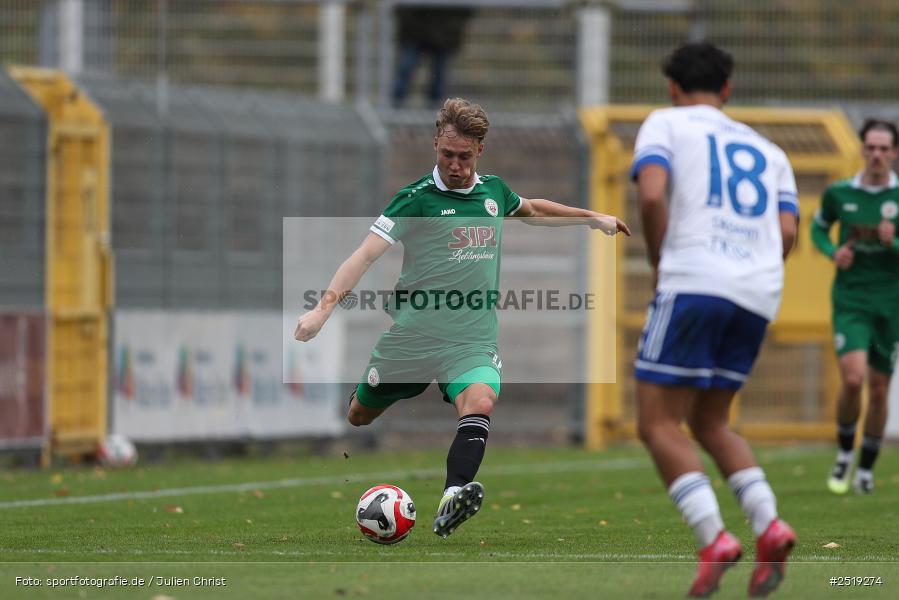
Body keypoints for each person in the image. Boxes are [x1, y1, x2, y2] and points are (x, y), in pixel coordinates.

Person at [295, 98, 629, 539]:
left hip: (470, 339)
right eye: (447, 155)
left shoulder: (493, 193)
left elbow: (534, 210)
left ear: (479, 152)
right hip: (413, 337)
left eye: (464, 157)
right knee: (359, 416)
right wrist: (323, 309)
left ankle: (454, 495)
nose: (455, 165)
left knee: (480, 402)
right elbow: (364, 255)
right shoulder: (414, 200)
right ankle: (370, 396)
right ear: (436, 144)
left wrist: (592, 217)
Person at [631, 42, 798, 597]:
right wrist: (750, 275)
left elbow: (652, 194)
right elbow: (789, 233)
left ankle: (714, 539)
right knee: (712, 423)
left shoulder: (666, 124)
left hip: (695, 281)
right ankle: (770, 525)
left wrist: (661, 260)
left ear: (673, 89)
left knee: (657, 424)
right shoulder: (770, 150)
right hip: (756, 292)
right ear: (726, 90)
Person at [812, 118, 899, 495]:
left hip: (890, 303)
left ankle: (865, 467)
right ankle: (846, 449)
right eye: (871, 147)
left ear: (894, 152)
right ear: (862, 150)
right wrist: (834, 252)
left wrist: (892, 243)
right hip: (851, 300)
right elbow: (818, 229)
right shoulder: (839, 193)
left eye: (884, 148)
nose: (877, 155)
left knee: (880, 389)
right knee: (852, 378)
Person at [391, 7, 473, 108]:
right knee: (405, 70)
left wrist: (451, 27)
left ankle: (436, 115)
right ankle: (394, 108)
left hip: (443, 32)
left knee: (439, 79)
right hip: (414, 30)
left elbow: (465, 10)